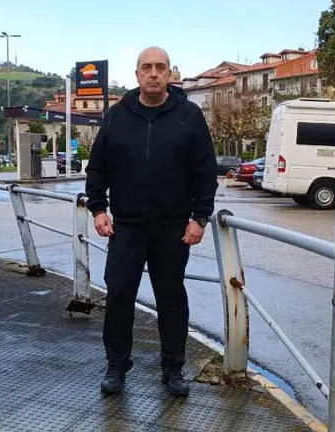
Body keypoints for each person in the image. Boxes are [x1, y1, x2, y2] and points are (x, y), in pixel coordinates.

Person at [84, 46, 218, 397]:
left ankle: (173, 369)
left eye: (160, 67)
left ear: (171, 74)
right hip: (125, 226)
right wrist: (99, 209)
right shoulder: (117, 116)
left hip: (173, 228)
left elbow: (205, 171)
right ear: (137, 74)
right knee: (118, 296)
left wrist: (200, 217)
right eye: (147, 67)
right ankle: (116, 366)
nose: (154, 73)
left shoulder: (189, 116)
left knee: (172, 299)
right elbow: (97, 169)